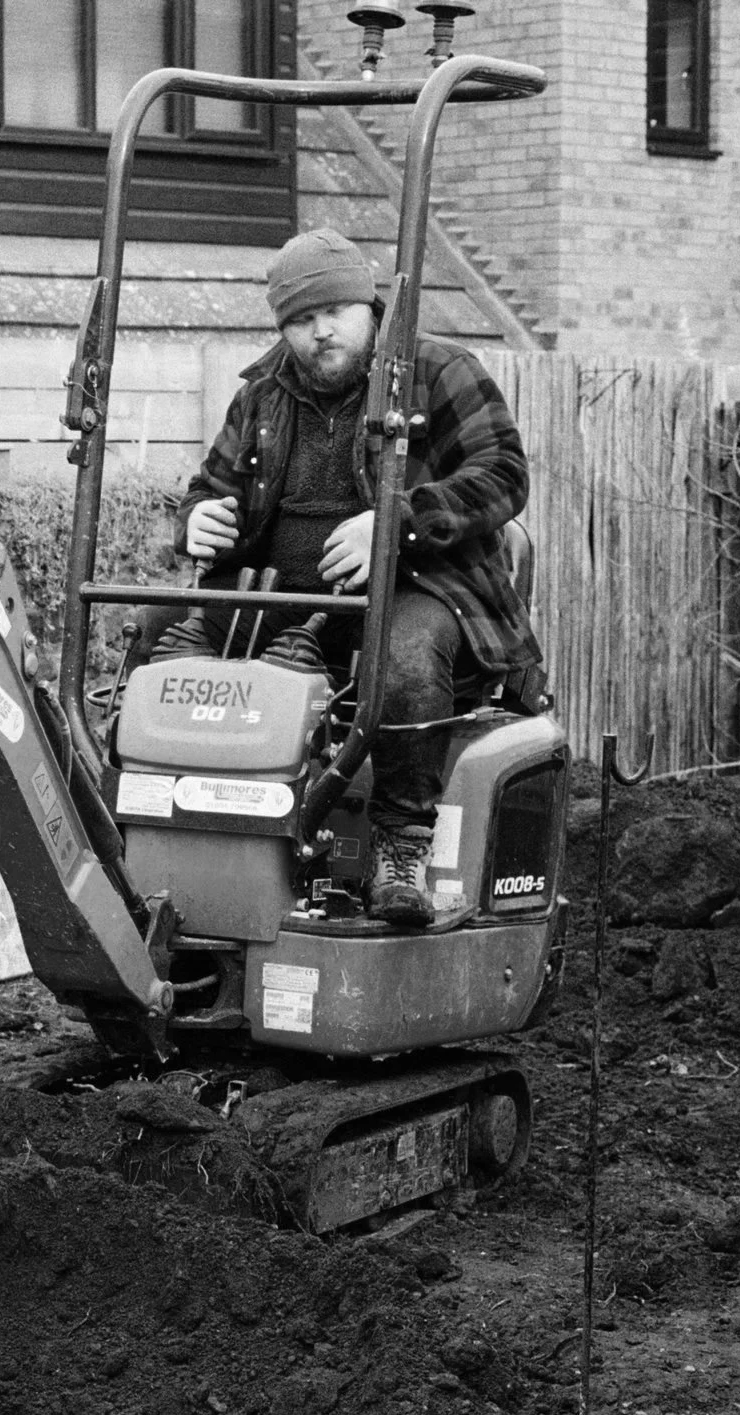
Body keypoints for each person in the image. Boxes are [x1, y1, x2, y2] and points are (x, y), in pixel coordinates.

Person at [160, 227, 540, 928]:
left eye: (333, 312)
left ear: (369, 306)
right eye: (300, 321)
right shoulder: (262, 395)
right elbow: (209, 487)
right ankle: (168, 828)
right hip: (284, 601)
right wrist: (197, 519)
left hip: (423, 591)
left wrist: (397, 522)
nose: (319, 333)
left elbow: (504, 477)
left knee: (404, 658)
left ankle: (402, 843)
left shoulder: (440, 371)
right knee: (155, 644)